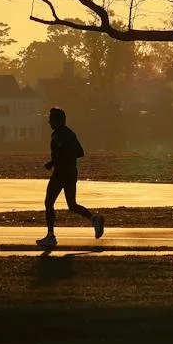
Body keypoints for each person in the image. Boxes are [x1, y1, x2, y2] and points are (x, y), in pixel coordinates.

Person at [36, 106, 104, 248]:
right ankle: (94, 219)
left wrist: (58, 160)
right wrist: (53, 162)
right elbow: (72, 152)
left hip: (62, 173)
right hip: (69, 172)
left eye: (50, 119)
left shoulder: (64, 134)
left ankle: (50, 236)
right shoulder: (62, 133)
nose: (48, 122)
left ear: (58, 120)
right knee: (71, 205)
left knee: (49, 202)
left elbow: (78, 152)